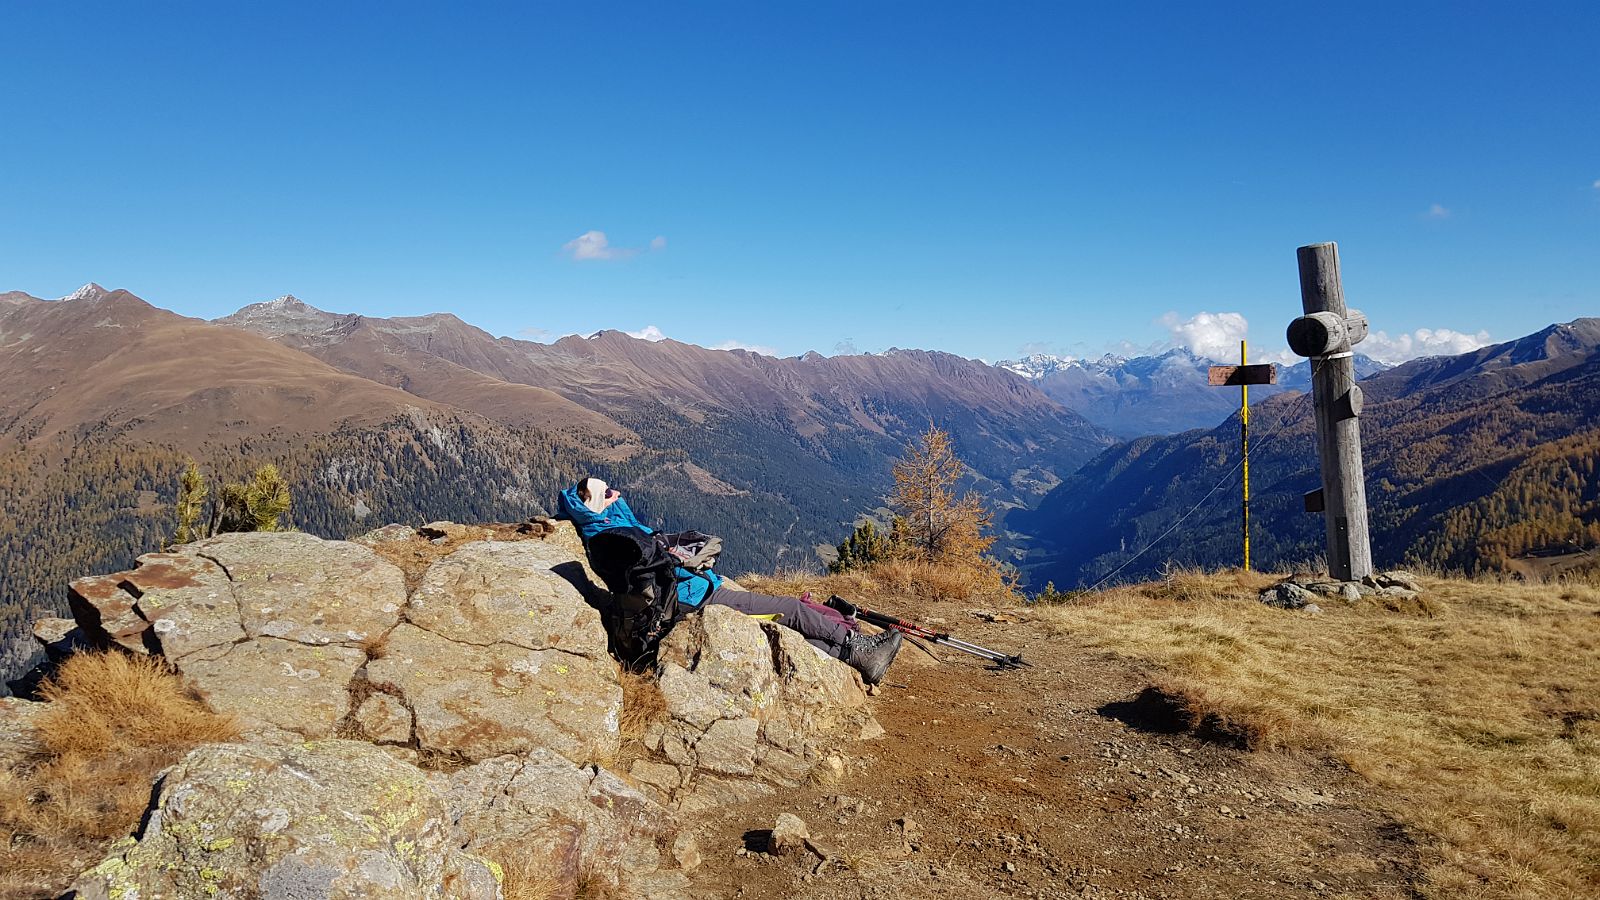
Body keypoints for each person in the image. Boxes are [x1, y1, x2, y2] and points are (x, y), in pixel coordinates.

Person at [557, 476, 902, 684]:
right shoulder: (626, 536)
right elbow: (659, 559)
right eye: (609, 493)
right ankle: (859, 650)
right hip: (695, 598)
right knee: (792, 610)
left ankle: (847, 658)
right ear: (597, 503)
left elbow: (637, 545)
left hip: (678, 601)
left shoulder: (605, 536)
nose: (616, 495)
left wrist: (611, 505)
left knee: (780, 632)